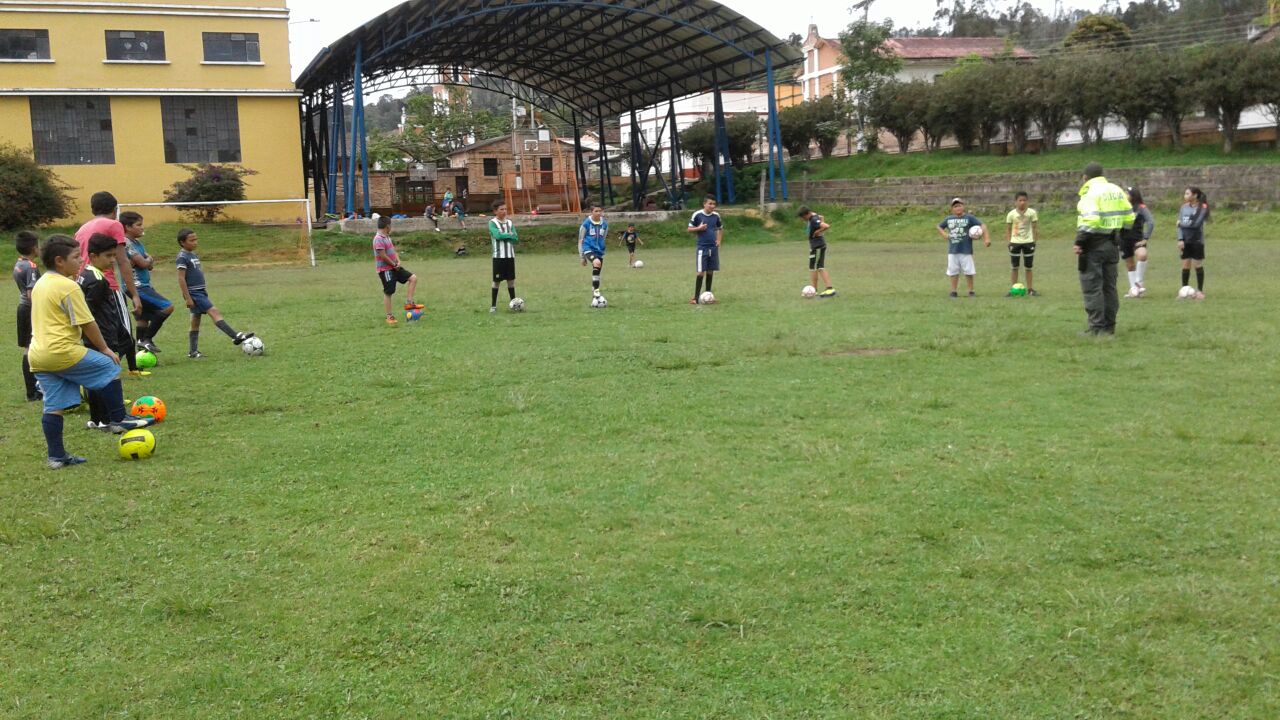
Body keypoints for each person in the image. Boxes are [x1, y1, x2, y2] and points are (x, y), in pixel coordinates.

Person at [28, 236, 152, 469]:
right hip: (61, 350)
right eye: (76, 257)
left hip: (38, 354)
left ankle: (56, 457)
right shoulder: (68, 286)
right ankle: (118, 418)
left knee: (54, 406)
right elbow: (88, 323)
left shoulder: (42, 282)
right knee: (110, 365)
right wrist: (105, 349)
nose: (81, 261)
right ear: (59, 261)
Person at [80, 233, 145, 427]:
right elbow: (92, 312)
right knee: (108, 374)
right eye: (108, 256)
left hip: (94, 336)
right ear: (92, 255)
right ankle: (113, 418)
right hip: (102, 336)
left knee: (95, 377)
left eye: (113, 255)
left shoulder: (85, 274)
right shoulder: (99, 280)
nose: (112, 260)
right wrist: (107, 340)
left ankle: (97, 419)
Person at [73, 191, 141, 373]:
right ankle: (128, 369)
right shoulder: (113, 225)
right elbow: (122, 260)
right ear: (115, 208)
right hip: (106, 283)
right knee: (123, 330)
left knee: (94, 326)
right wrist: (134, 294)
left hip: (83, 281)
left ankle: (100, 366)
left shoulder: (82, 228)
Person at [1074, 162, 1135, 336]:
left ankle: (1096, 328)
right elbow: (1129, 217)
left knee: (1092, 286)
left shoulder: (1090, 193)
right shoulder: (1116, 190)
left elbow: (1091, 220)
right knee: (1109, 287)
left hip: (1093, 244)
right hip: (1112, 244)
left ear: (1085, 177)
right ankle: (1109, 326)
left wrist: (1080, 241)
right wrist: (1118, 234)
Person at [175, 229, 255, 357]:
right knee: (214, 311)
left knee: (195, 320)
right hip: (194, 293)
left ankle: (193, 351)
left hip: (200, 291)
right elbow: (181, 278)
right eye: (192, 240)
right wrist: (187, 297)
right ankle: (234, 336)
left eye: (196, 239)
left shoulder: (193, 255)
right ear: (182, 242)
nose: (195, 242)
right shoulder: (182, 257)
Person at [121, 211, 174, 353]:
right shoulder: (125, 243)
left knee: (142, 319)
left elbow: (148, 264)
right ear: (127, 227)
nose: (142, 227)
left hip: (143, 285)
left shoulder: (137, 243)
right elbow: (144, 263)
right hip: (136, 286)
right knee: (167, 307)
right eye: (139, 225)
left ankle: (141, 355)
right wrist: (146, 260)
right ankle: (146, 339)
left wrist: (147, 260)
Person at [373, 216, 423, 325]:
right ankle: (389, 316)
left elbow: (393, 251)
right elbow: (382, 255)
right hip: (386, 270)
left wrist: (398, 261)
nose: (391, 227)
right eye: (390, 225)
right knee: (389, 292)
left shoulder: (387, 237)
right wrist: (394, 264)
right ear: (387, 226)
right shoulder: (378, 239)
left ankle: (409, 303)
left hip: (395, 267)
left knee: (413, 278)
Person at [937, 198, 989, 298]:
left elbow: (982, 225)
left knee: (969, 271)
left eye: (960, 205)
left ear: (963, 206)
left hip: (966, 250)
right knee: (953, 271)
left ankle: (971, 291)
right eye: (955, 206)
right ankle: (953, 291)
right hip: (953, 250)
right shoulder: (949, 219)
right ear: (952, 209)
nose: (958, 208)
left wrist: (985, 238)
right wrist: (944, 234)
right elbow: (939, 226)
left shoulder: (969, 218)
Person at [14, 231, 41, 401]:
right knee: (33, 348)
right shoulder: (31, 266)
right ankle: (33, 392)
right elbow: (31, 293)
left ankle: (31, 391)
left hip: (21, 308)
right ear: (33, 247)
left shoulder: (18, 264)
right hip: (30, 308)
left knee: (28, 348)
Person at [687, 195, 723, 304]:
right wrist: (699, 228)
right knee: (700, 273)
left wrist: (719, 240)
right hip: (702, 247)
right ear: (704, 204)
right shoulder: (697, 215)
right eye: (710, 203)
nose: (712, 206)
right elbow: (689, 229)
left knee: (710, 271)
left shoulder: (716, 216)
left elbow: (720, 228)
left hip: (713, 247)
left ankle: (708, 295)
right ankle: (695, 298)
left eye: (714, 204)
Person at [1004, 191, 1040, 296]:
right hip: (1015, 242)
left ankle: (1030, 290)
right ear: (1016, 202)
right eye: (1020, 200)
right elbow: (1008, 229)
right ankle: (1013, 289)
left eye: (1024, 200)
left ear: (1027, 201)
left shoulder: (1032, 213)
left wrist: (1034, 241)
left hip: (1028, 242)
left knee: (1028, 267)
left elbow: (1034, 228)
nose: (1022, 202)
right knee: (1014, 267)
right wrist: (1008, 242)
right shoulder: (1011, 214)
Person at [1122, 187, 1154, 298]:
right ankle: (1134, 290)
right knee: (1130, 265)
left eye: (1127, 193)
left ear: (1133, 195)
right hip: (1123, 240)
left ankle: (1139, 282)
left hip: (1137, 240)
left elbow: (1150, 222)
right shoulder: (1121, 206)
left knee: (1142, 255)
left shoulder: (1141, 207)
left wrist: (1145, 238)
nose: (1125, 194)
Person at [1177, 186, 1209, 297]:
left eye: (1187, 193)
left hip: (1197, 240)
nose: (1185, 196)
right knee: (1185, 265)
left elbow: (1196, 225)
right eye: (1185, 193)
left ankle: (1200, 291)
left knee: (1197, 265)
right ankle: (1184, 290)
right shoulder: (1183, 208)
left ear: (1195, 195)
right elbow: (1179, 227)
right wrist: (1180, 239)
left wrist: (1181, 224)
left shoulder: (1202, 207)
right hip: (1185, 241)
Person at [797, 206, 836, 297]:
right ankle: (814, 289)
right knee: (814, 268)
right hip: (816, 246)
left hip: (817, 246)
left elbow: (826, 226)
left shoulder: (813, 220)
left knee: (819, 267)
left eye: (803, 217)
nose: (803, 220)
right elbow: (820, 216)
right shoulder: (813, 217)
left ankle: (829, 289)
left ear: (807, 214)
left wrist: (817, 231)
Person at [488, 202, 518, 313]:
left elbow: (516, 238)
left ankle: (514, 304)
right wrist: (509, 235)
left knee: (511, 281)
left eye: (505, 209)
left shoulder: (510, 223)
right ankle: (493, 306)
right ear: (495, 211)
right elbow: (497, 235)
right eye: (501, 209)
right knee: (496, 281)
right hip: (498, 257)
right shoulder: (492, 223)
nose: (504, 211)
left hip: (510, 256)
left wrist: (507, 236)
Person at [579, 206, 608, 299]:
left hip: (599, 251)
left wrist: (602, 247)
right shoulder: (586, 224)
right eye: (596, 211)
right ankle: (596, 291)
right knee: (597, 262)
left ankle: (594, 289)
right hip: (588, 248)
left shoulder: (605, 224)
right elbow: (580, 240)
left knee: (597, 272)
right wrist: (582, 257)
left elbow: (603, 238)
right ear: (591, 212)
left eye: (600, 211)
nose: (598, 213)